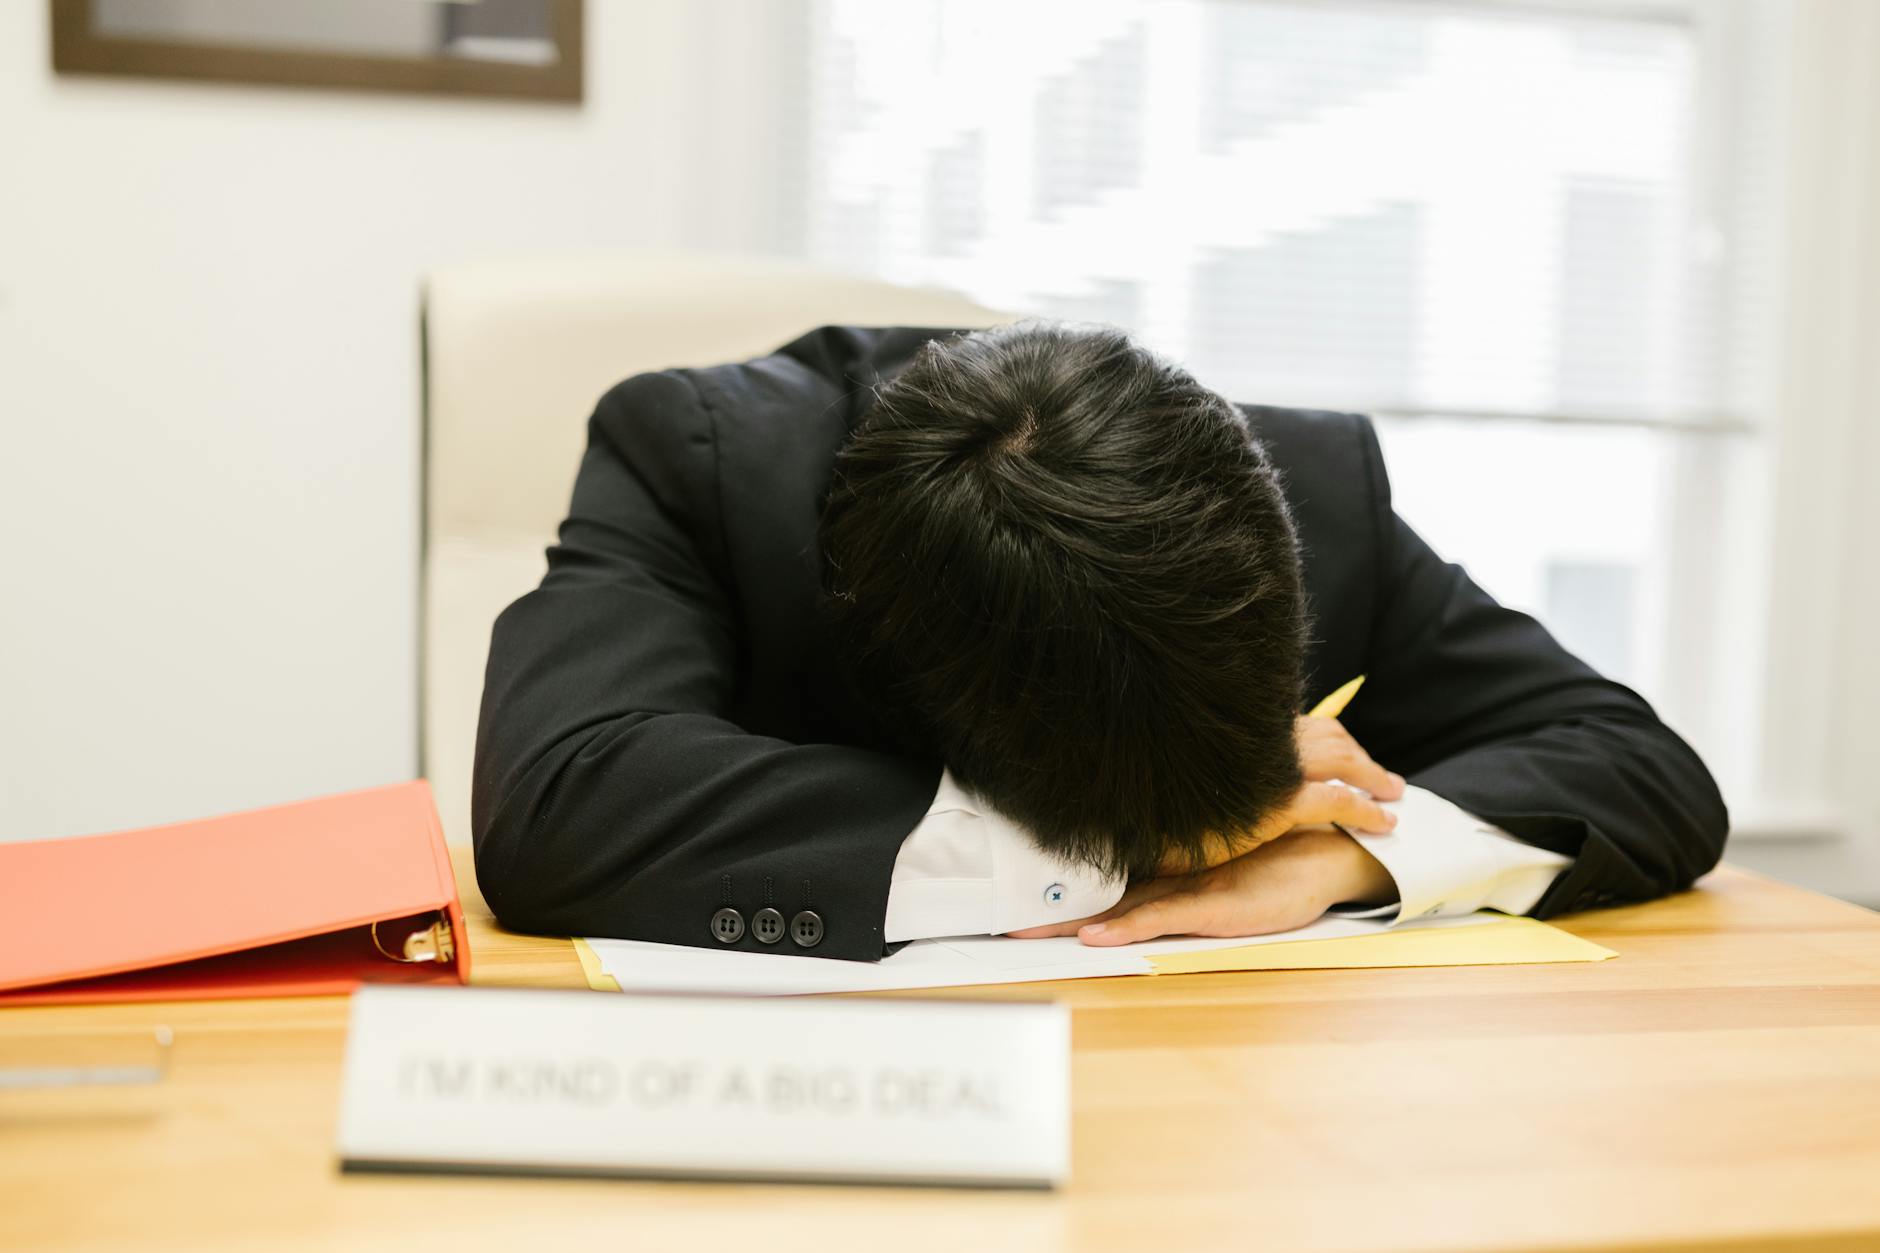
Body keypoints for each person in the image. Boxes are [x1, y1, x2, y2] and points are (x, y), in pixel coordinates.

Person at [472, 322, 1728, 959]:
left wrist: (1344, 856)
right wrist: (1097, 858)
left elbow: (1635, 762)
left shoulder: (1303, 492)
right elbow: (563, 803)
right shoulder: (696, 461)